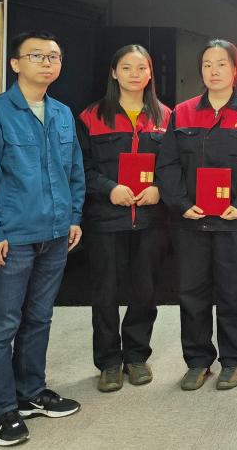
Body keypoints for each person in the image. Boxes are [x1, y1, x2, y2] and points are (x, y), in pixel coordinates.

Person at [0, 31, 85, 446]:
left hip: (55, 234)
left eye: (54, 56)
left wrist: (73, 217)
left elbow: (74, 171)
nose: (47, 62)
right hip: (11, 239)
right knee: (2, 324)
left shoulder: (62, 113)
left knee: (39, 318)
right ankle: (1, 409)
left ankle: (30, 392)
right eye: (36, 55)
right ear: (16, 63)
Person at [157, 39, 237, 390]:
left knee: (233, 293)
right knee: (191, 293)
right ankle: (197, 361)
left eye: (221, 64)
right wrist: (181, 203)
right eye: (207, 64)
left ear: (235, 70)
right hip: (191, 221)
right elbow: (168, 164)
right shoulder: (182, 112)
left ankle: (233, 360)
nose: (213, 71)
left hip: (234, 221)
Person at [77, 45, 171, 392]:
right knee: (105, 293)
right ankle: (108, 362)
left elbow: (176, 166)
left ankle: (136, 355)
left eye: (142, 68)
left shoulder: (166, 117)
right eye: (127, 67)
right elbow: (80, 167)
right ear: (114, 73)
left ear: (150, 73)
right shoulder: (91, 116)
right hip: (106, 218)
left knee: (145, 290)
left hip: (151, 219)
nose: (135, 74)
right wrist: (109, 188)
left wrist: (160, 188)